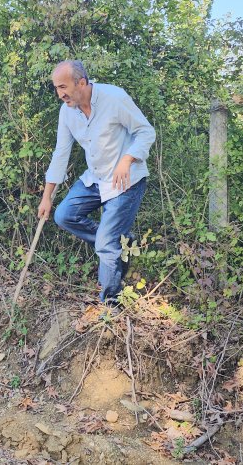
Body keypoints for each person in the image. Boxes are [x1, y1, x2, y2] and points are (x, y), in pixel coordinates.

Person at [37, 60, 156, 306]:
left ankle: (112, 304)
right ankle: (119, 242)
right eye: (56, 88)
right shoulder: (67, 112)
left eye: (63, 87)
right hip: (96, 179)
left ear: (82, 83)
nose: (60, 94)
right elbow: (61, 153)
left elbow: (146, 132)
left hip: (126, 181)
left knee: (105, 244)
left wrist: (127, 158)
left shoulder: (114, 98)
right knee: (64, 216)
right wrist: (47, 196)